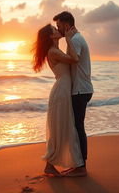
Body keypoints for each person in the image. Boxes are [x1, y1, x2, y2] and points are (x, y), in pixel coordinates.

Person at [32, 23, 86, 177]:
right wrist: (69, 39)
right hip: (61, 92)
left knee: (62, 128)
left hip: (63, 91)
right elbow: (75, 59)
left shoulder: (55, 50)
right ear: (51, 36)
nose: (58, 30)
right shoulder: (53, 51)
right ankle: (50, 165)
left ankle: (51, 165)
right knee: (61, 128)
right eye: (54, 30)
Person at [53, 11, 93, 175]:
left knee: (78, 127)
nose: (58, 29)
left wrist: (66, 39)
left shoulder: (74, 39)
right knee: (77, 127)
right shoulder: (76, 39)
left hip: (80, 90)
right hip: (82, 89)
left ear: (67, 25)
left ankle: (81, 167)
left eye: (59, 26)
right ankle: (79, 164)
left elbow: (74, 59)